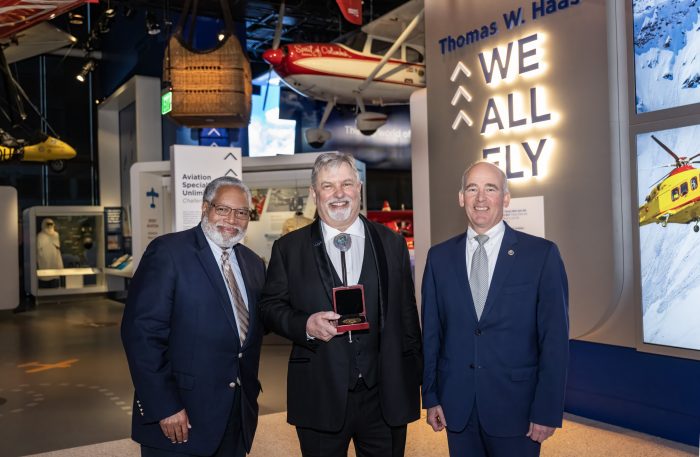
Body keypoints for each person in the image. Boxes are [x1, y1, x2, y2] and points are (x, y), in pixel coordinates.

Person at [258, 152, 422, 457]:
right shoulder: (289, 250)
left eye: (346, 183)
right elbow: (269, 308)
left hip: (384, 394)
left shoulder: (391, 243)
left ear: (358, 187)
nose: (338, 194)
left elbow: (407, 315)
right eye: (328, 186)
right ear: (313, 193)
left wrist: (421, 381)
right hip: (319, 391)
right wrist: (304, 325)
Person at [421, 161, 569, 457]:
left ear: (506, 197)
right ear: (461, 197)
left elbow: (554, 340)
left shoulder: (541, 255)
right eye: (472, 189)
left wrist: (547, 409)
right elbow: (432, 333)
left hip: (517, 408)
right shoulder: (439, 258)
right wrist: (432, 395)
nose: (480, 198)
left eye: (491, 189)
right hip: (458, 407)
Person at [121, 176, 266, 457]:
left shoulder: (252, 263)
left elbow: (258, 326)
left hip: (235, 414)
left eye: (241, 212)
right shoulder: (168, 252)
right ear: (204, 207)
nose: (231, 219)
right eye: (222, 209)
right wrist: (165, 406)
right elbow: (141, 335)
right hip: (180, 415)